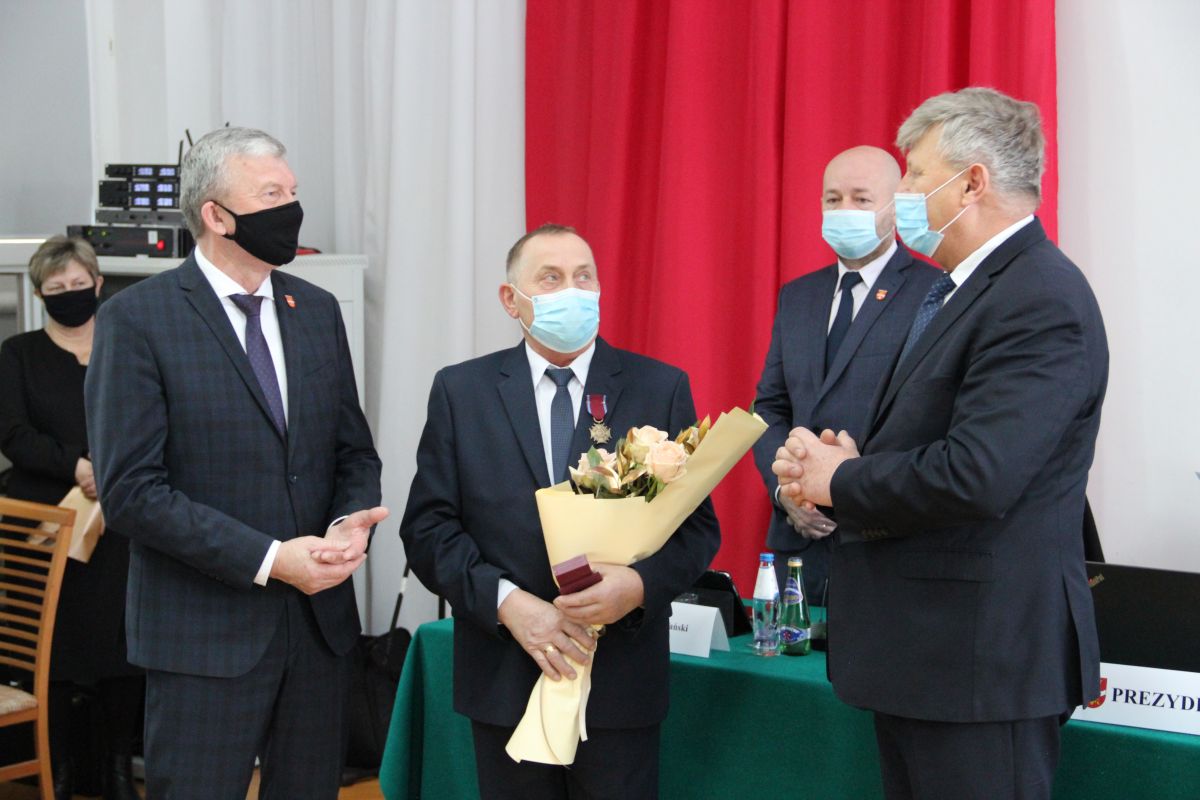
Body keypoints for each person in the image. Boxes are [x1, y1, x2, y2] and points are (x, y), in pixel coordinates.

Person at [773, 87, 1107, 800]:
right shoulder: (967, 289)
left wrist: (840, 481)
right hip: (930, 658)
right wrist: (849, 462)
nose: (905, 192)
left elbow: (978, 474)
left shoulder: (1038, 296)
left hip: (981, 663)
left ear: (972, 183)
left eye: (918, 174)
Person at [84, 127, 386, 800]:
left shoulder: (316, 311)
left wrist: (349, 526)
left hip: (319, 631)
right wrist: (272, 559)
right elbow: (131, 492)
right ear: (216, 217)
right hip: (202, 636)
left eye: (293, 192)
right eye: (271, 195)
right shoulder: (137, 320)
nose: (291, 209)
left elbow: (352, 450)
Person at [400, 224, 720, 800]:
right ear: (511, 299)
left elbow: (697, 530)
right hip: (505, 676)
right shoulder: (461, 391)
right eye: (550, 278)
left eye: (583, 277)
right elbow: (428, 530)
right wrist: (509, 604)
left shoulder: (659, 386)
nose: (572, 290)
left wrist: (638, 587)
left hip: (619, 682)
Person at [752, 146, 939, 601]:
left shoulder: (933, 292)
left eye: (861, 198)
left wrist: (848, 489)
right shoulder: (798, 296)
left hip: (885, 544)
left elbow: (929, 418)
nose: (844, 211)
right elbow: (769, 407)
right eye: (833, 200)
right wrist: (787, 490)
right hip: (801, 546)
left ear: (896, 206)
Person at [0, 236, 142, 800]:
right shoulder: (18, 354)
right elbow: (12, 434)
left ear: (99, 284)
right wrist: (78, 466)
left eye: (79, 284)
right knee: (51, 651)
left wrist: (110, 469)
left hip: (123, 518)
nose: (70, 294)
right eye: (56, 288)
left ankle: (116, 771)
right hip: (46, 525)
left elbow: (153, 417)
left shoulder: (127, 345)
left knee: (123, 646)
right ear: (39, 295)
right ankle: (55, 771)